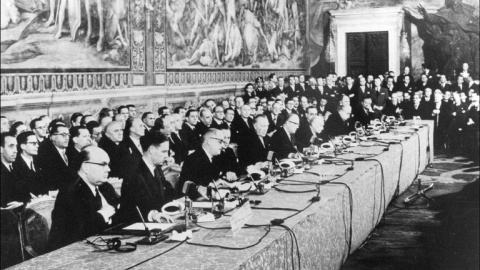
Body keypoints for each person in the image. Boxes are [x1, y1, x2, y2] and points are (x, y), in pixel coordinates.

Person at [48, 146, 120, 251]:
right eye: (103, 164)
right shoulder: (71, 192)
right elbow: (78, 231)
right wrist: (103, 214)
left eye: (108, 165)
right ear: (85, 167)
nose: (108, 169)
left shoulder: (105, 187)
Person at [119, 132, 178, 223]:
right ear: (151, 150)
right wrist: (153, 215)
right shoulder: (134, 172)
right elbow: (132, 208)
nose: (167, 156)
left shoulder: (157, 168)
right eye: (164, 151)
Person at [178, 129, 230, 200]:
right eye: (220, 142)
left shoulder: (211, 158)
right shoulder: (194, 159)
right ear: (210, 141)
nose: (222, 145)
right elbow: (187, 187)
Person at [37, 124, 76, 191]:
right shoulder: (45, 155)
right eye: (63, 135)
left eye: (68, 135)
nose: (67, 138)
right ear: (52, 137)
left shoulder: (71, 151)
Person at [13, 131, 48, 197]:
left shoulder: (40, 161)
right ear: (23, 146)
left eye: (37, 143)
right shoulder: (15, 165)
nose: (37, 146)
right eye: (34, 143)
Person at [1, 132, 30, 208]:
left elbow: (26, 195)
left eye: (16, 147)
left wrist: (22, 203)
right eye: (11, 146)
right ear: (1, 149)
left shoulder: (18, 168)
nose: (16, 151)